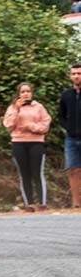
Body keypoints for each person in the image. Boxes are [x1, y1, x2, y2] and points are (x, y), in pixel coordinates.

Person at [3, 82, 52, 211]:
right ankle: (29, 204)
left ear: (32, 93)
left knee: (37, 173)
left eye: (28, 91)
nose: (26, 94)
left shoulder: (39, 107)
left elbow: (45, 124)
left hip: (36, 142)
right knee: (24, 174)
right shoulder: (12, 108)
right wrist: (16, 109)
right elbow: (8, 125)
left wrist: (31, 127)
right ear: (18, 94)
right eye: (23, 92)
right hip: (18, 142)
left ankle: (42, 203)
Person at [58, 64, 81, 209]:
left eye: (79, 73)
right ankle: (76, 202)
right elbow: (61, 115)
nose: (76, 76)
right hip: (71, 138)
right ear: (70, 76)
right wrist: (69, 128)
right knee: (73, 169)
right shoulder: (66, 94)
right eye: (73, 74)